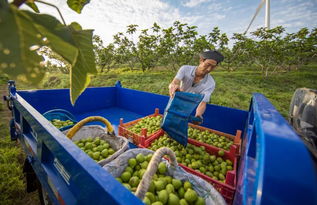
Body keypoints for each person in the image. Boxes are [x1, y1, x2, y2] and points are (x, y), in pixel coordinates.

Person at [168, 50, 224, 122]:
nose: (209, 69)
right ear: (201, 61)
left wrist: (198, 115)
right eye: (207, 64)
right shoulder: (185, 69)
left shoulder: (211, 83)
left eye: (212, 67)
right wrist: (173, 86)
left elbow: (203, 101)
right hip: (177, 99)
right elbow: (175, 81)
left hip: (191, 106)